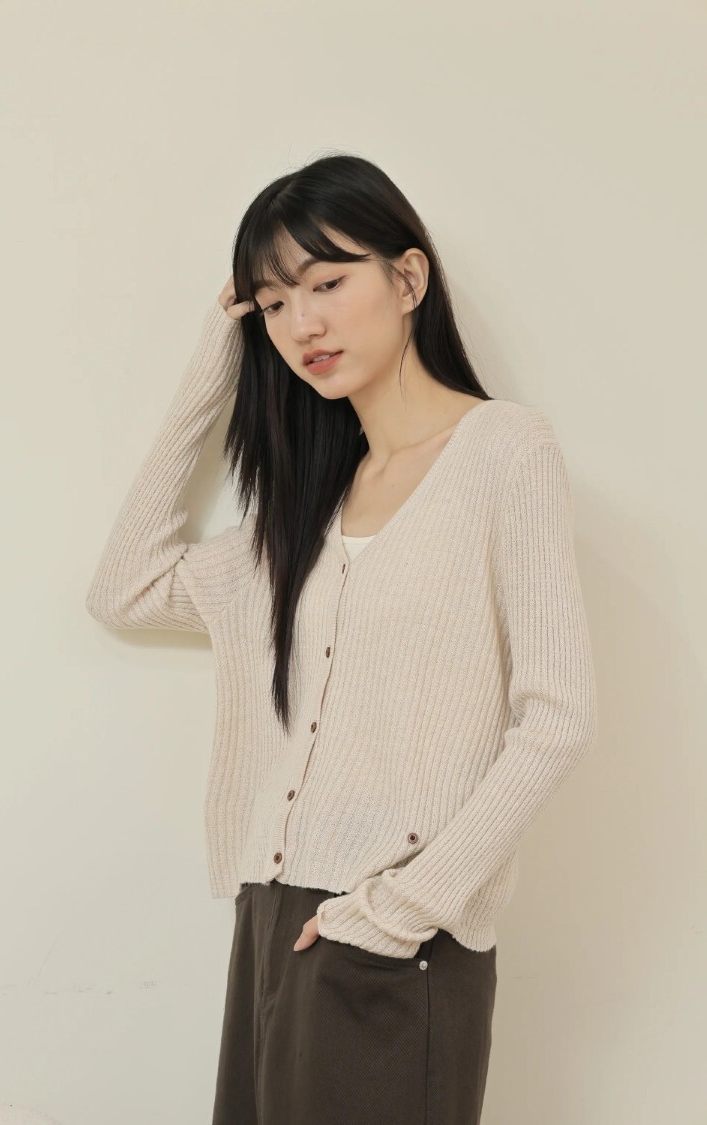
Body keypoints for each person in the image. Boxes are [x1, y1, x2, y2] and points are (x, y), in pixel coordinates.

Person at [85, 153, 598, 1124]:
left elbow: (558, 717)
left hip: (399, 939)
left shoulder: (503, 452)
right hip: (272, 920)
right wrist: (215, 356)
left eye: (326, 283)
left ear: (408, 279)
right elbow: (125, 588)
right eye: (274, 304)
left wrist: (401, 909)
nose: (302, 325)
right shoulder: (306, 513)